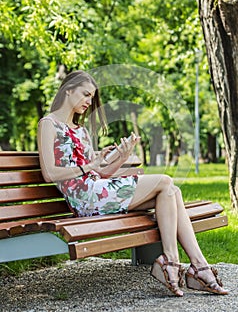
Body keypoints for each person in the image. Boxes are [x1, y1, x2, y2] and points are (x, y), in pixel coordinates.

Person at [37, 70, 228, 297]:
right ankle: (178, 264)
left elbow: (102, 172)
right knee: (166, 181)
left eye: (92, 97)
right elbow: (49, 173)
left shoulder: (82, 131)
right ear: (68, 90)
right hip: (84, 198)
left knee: (171, 191)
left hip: (97, 190)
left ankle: (193, 264)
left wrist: (121, 158)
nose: (89, 102)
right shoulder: (49, 124)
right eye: (85, 94)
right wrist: (89, 166)